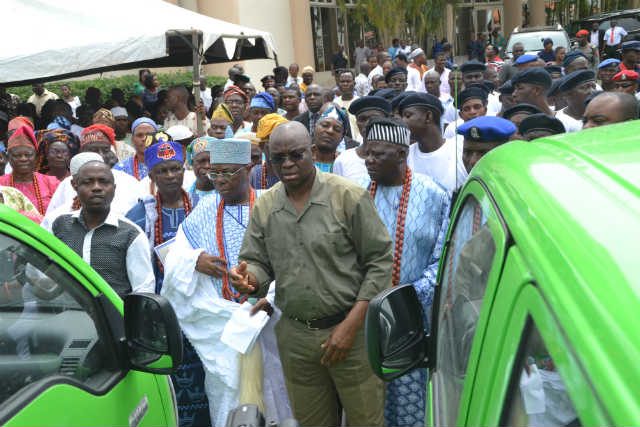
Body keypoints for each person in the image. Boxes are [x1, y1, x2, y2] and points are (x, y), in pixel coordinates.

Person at [229, 120, 393, 427]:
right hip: (296, 338)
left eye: (296, 155)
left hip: (352, 333)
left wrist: (350, 325)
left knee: (366, 421)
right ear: (268, 158)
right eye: (278, 158)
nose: (287, 164)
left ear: (312, 151)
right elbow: (256, 262)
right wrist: (249, 279)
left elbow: (379, 262)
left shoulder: (348, 197)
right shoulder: (266, 206)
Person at [161, 137, 291, 426]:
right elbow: (173, 258)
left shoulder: (274, 205)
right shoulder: (205, 209)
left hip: (273, 319)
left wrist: (270, 299)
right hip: (224, 328)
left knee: (279, 400)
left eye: (227, 172)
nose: (218, 180)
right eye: (213, 173)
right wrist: (194, 260)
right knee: (227, 401)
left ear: (249, 168)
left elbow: (295, 260)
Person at [360, 116, 450, 427]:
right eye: (366, 153)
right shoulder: (354, 195)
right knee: (367, 404)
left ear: (401, 153)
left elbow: (441, 258)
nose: (369, 160)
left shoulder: (434, 195)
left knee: (410, 403)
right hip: (362, 316)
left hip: (412, 318)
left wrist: (408, 299)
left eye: (377, 154)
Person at [49, 160, 154, 296]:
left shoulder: (130, 234)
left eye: (104, 182)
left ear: (114, 188)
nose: (96, 188)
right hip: (66, 315)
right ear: (75, 186)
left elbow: (143, 290)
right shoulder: (60, 225)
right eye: (88, 182)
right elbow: (44, 278)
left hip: (112, 316)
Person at [44, 125, 143, 227]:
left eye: (105, 150)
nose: (101, 155)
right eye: (94, 150)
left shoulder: (129, 182)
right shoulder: (67, 184)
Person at [399, 93, 460, 192]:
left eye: (407, 116)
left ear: (428, 116)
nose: (402, 122)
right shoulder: (405, 155)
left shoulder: (459, 149)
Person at [0, 126, 59, 217]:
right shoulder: (1, 183)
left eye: (28, 155)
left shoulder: (52, 183)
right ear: (9, 158)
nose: (23, 159)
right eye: (17, 155)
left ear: (36, 157)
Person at [334, 96, 391, 182]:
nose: (368, 124)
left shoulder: (397, 156)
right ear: (357, 123)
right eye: (362, 119)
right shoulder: (344, 160)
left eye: (374, 118)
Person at [251, 113, 287, 190]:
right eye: (271, 141)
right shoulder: (255, 174)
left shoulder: (296, 171)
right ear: (261, 146)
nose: (278, 148)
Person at [312, 104, 352, 173]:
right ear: (315, 127)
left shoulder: (346, 165)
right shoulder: (300, 157)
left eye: (337, 129)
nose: (330, 131)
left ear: (342, 137)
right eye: (325, 125)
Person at [185, 136, 215, 206]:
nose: (207, 166)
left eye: (212, 161)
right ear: (192, 163)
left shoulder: (229, 196)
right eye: (201, 161)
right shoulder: (185, 197)